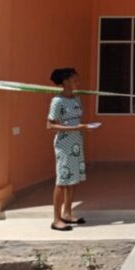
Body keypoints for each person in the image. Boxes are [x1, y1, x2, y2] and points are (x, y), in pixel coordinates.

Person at [47, 68, 98, 231]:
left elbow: (76, 120)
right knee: (62, 181)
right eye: (74, 80)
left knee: (73, 179)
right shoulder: (57, 101)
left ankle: (67, 213)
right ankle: (56, 219)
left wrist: (84, 127)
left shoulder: (77, 99)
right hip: (64, 145)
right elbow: (50, 125)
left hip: (77, 143)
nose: (78, 82)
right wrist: (75, 128)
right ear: (65, 82)